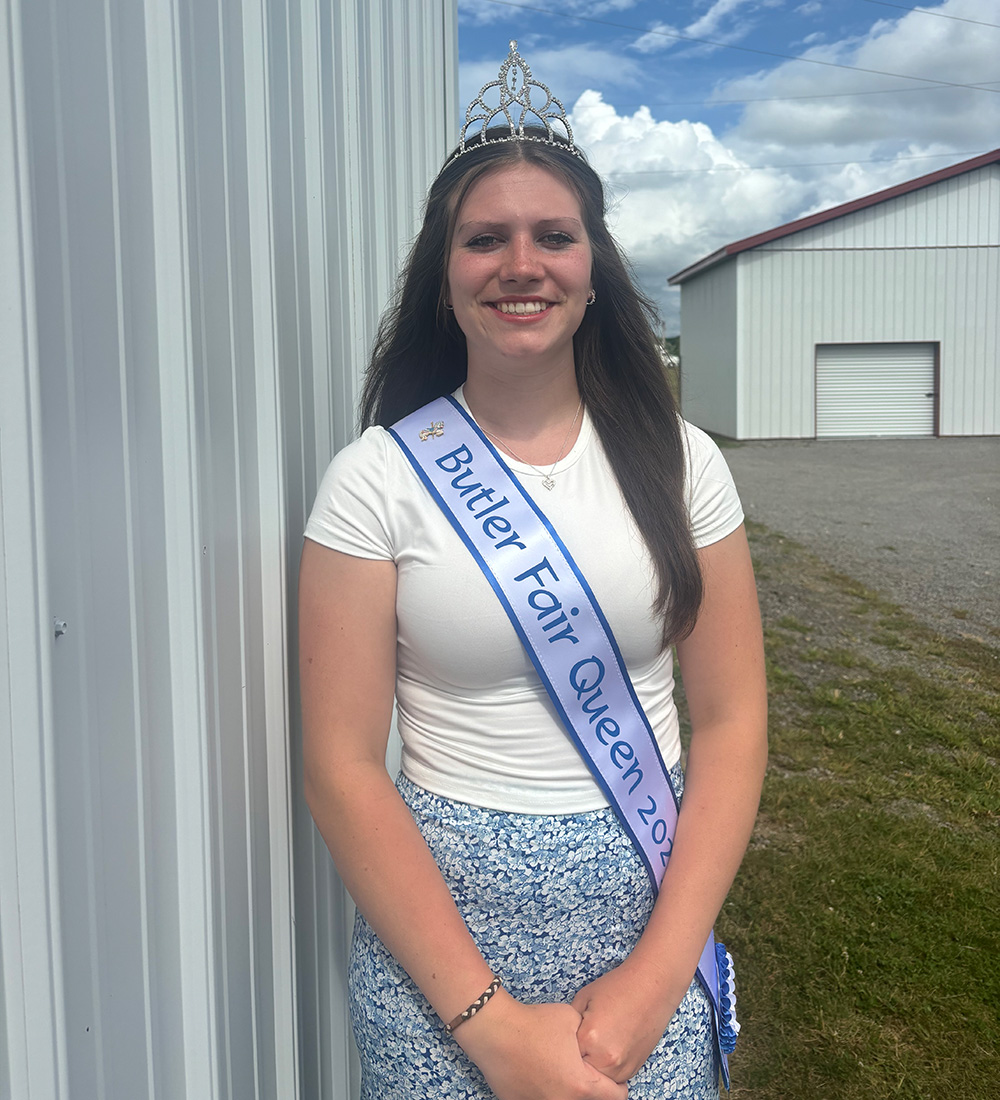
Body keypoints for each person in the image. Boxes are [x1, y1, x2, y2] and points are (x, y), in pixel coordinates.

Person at [299, 42, 767, 1100]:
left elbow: (733, 722)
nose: (522, 263)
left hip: (648, 926)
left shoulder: (682, 462)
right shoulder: (376, 478)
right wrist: (492, 1025)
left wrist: (654, 982)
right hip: (442, 959)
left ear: (594, 269)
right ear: (444, 275)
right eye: (485, 239)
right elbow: (342, 764)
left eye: (554, 235)